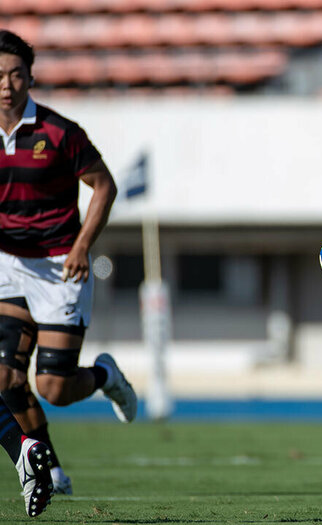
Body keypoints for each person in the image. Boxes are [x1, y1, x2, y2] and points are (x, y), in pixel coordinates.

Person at [0, 29, 138, 494]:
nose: (6, 85)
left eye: (16, 74)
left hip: (61, 266)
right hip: (9, 266)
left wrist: (81, 245)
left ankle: (104, 376)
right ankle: (50, 469)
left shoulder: (59, 132)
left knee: (54, 389)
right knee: (5, 377)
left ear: (30, 78)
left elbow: (104, 186)